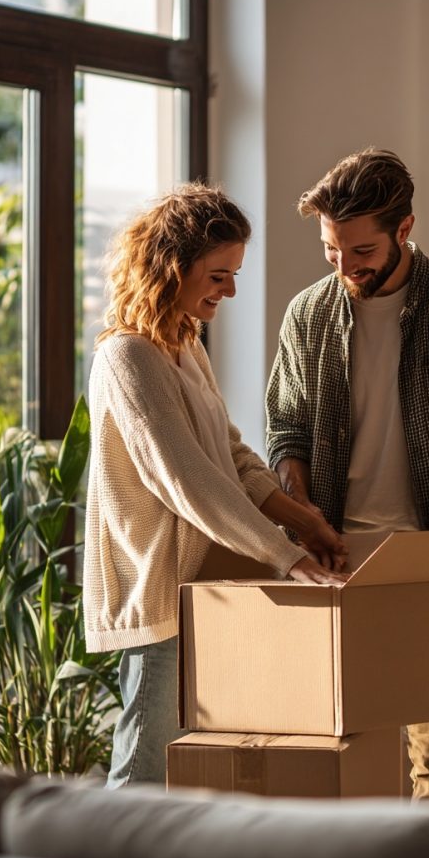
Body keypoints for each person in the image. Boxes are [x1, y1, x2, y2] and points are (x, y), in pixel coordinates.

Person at [265, 148, 429, 807]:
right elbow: (286, 432)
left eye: (359, 252)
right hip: (334, 562)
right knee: (336, 750)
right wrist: (304, 520)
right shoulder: (306, 316)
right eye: (331, 250)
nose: (344, 267)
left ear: (403, 229)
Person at [83, 183, 349, 788]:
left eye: (234, 274)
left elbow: (231, 455)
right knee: (141, 776)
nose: (230, 290)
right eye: (219, 274)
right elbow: (187, 480)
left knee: (189, 779)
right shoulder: (128, 357)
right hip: (161, 597)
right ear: (173, 267)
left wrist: (304, 521)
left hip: (207, 594)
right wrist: (286, 557)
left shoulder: (183, 344)